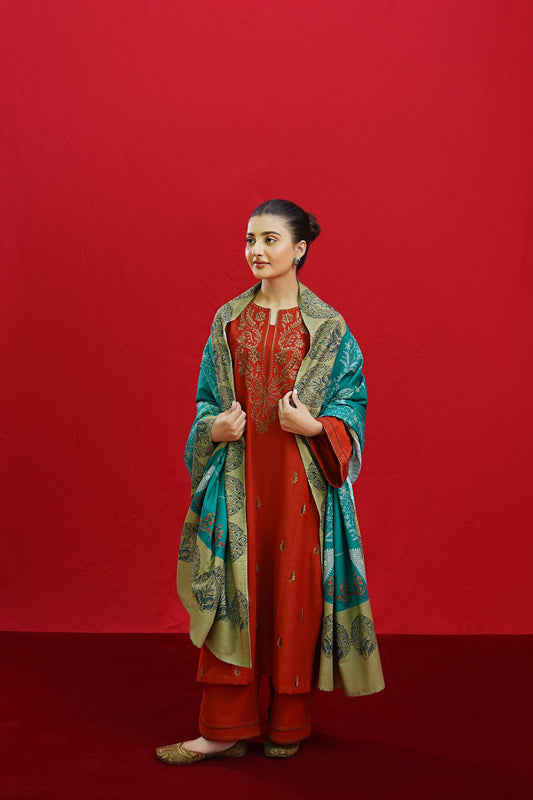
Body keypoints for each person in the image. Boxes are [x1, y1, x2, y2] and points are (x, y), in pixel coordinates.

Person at [156, 199, 385, 765]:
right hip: (239, 482)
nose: (255, 251)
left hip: (301, 492)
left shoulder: (328, 327)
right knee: (230, 595)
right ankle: (224, 729)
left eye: (269, 240)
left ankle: (289, 723)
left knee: (294, 596)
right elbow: (207, 398)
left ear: (300, 248)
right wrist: (213, 428)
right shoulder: (228, 320)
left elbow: (351, 402)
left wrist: (317, 427)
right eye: (249, 240)